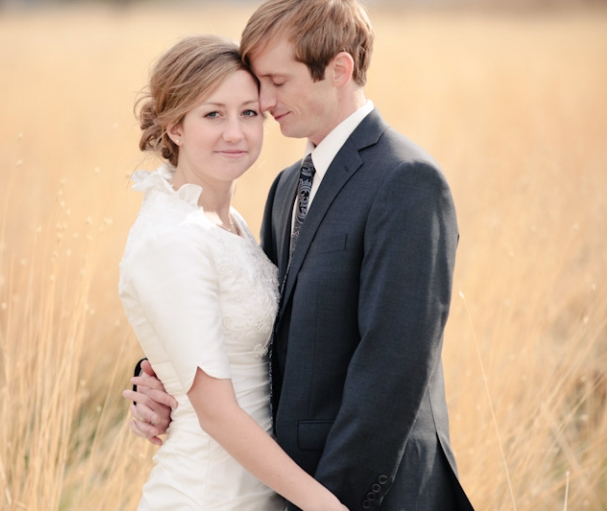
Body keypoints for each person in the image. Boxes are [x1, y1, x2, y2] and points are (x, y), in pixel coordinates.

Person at [124, 1, 474, 509]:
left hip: (377, 490)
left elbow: (393, 369)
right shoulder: (288, 187)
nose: (264, 102)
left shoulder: (406, 180)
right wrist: (163, 374)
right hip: (284, 484)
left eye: (276, 82)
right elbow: (268, 322)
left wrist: (327, 501)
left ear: (339, 70)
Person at [118, 34, 347, 510]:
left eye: (249, 113)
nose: (235, 133)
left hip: (260, 487)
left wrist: (155, 374)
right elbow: (217, 414)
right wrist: (326, 506)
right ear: (175, 126)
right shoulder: (173, 237)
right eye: (212, 114)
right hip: (208, 494)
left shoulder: (228, 222)